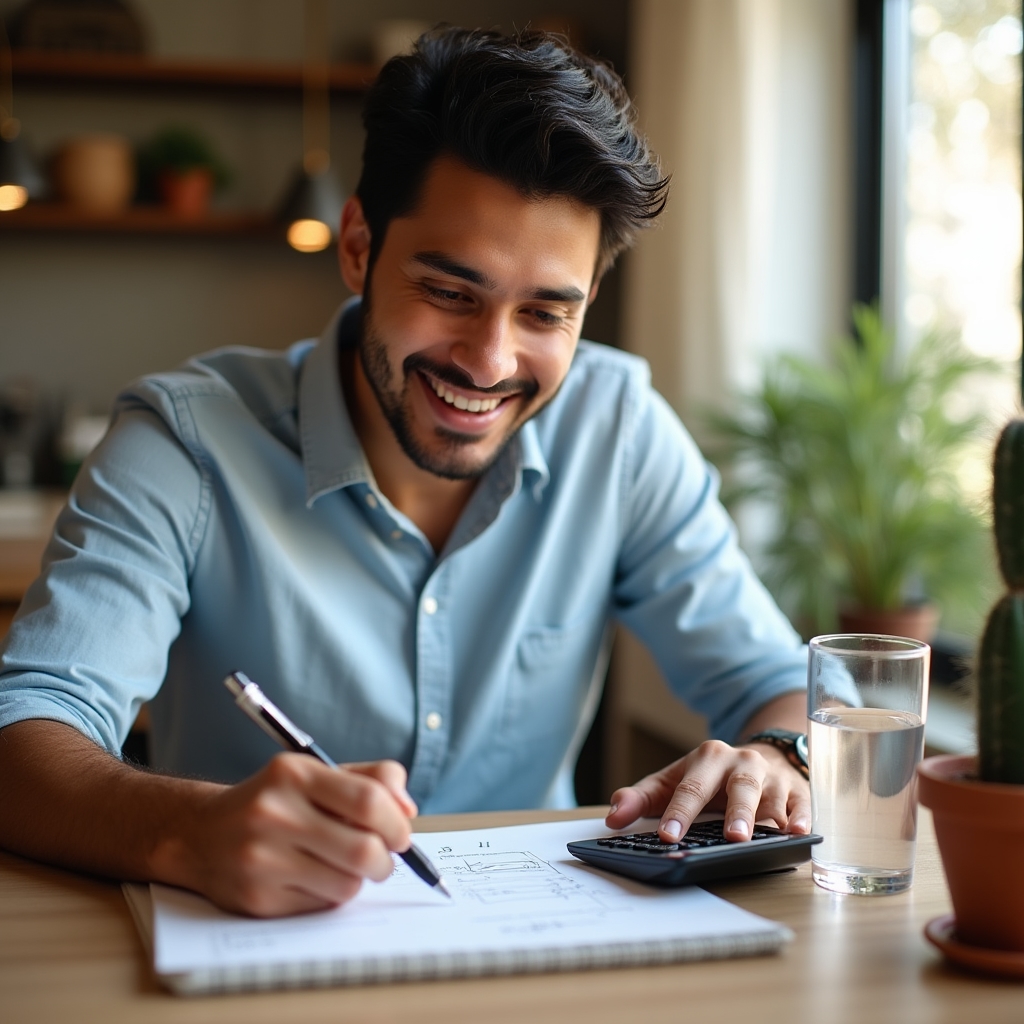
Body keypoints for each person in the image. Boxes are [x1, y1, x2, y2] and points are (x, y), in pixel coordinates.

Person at [0, 28, 810, 918]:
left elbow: (780, 681)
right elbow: (26, 736)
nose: (489, 361)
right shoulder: (183, 443)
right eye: (450, 293)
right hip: (253, 951)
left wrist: (776, 753)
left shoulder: (618, 431)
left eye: (544, 312)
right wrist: (187, 830)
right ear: (357, 247)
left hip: (533, 957)